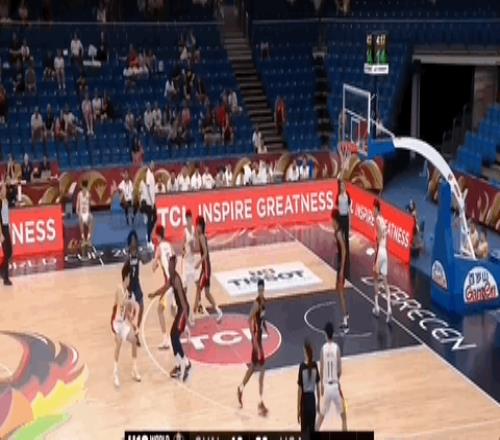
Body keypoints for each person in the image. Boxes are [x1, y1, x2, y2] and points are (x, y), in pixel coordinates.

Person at [237, 278, 268, 416]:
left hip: (259, 337)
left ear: (264, 289)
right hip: (256, 338)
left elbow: (262, 318)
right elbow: (249, 319)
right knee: (262, 368)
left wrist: (265, 327)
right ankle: (260, 402)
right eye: (259, 290)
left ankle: (240, 388)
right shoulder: (256, 303)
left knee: (253, 367)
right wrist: (253, 339)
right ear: (257, 290)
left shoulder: (264, 302)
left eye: (262, 289)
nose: (260, 291)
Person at [111, 261, 141, 387]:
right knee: (119, 342)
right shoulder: (119, 288)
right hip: (115, 323)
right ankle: (115, 373)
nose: (130, 280)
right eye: (130, 277)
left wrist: (135, 326)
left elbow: (127, 313)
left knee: (134, 340)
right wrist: (132, 303)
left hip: (122, 323)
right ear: (126, 277)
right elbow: (122, 303)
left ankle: (134, 369)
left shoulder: (128, 293)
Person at [316, 322, 347, 431]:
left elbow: (321, 369)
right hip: (335, 387)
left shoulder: (323, 349)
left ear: (325, 334)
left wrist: (321, 386)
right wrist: (336, 380)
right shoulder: (336, 348)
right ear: (333, 334)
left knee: (320, 418)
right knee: (344, 417)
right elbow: (339, 370)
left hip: (326, 387)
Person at [148, 224, 176, 350]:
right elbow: (174, 259)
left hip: (168, 283)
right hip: (175, 280)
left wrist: (155, 264)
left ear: (157, 235)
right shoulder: (169, 245)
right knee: (173, 311)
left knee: (159, 310)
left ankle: (165, 340)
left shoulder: (158, 248)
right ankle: (185, 330)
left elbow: (153, 267)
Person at [166, 251, 192, 381]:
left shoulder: (176, 279)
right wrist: (155, 294)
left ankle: (183, 365)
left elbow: (182, 301)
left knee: (174, 336)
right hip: (180, 309)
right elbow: (165, 287)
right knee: (173, 335)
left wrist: (187, 321)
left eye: (171, 264)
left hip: (183, 309)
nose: (169, 266)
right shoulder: (172, 277)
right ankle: (182, 363)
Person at [193, 216, 223, 322]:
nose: (196, 227)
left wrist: (198, 262)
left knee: (198, 289)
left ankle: (193, 313)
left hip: (205, 268)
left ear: (200, 226)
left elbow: (205, 253)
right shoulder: (201, 236)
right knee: (206, 293)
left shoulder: (202, 237)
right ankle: (219, 311)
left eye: (197, 225)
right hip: (206, 267)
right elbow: (198, 249)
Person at [372, 200, 391, 323]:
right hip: (385, 252)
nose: (372, 211)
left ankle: (377, 307)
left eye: (374, 209)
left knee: (375, 278)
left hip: (380, 252)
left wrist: (377, 239)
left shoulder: (377, 220)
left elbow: (379, 235)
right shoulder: (384, 220)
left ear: (377, 209)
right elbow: (385, 233)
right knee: (385, 281)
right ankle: (389, 308)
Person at [297, 340, 320, 439]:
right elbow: (318, 386)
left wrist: (298, 408)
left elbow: (299, 390)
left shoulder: (302, 367)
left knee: (304, 431)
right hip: (312, 400)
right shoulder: (315, 365)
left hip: (304, 401)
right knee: (312, 429)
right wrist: (318, 403)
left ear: (305, 352)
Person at [331, 209, 349, 333]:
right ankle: (345, 314)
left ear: (335, 220)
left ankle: (346, 321)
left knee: (341, 291)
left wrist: (342, 269)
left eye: (332, 220)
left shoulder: (338, 233)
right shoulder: (338, 231)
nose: (331, 222)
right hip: (340, 263)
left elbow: (344, 250)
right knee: (338, 288)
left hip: (342, 264)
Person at [126, 230, 146, 333]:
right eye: (132, 240)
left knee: (141, 306)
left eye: (135, 240)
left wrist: (147, 256)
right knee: (129, 310)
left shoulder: (138, 254)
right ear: (130, 241)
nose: (134, 242)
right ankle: (133, 326)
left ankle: (137, 327)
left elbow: (145, 261)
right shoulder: (127, 255)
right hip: (129, 284)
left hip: (136, 283)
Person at [336, 180, 351, 278]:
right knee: (339, 237)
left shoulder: (347, 196)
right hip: (340, 218)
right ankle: (340, 252)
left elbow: (349, 210)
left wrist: (350, 223)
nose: (341, 187)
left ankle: (347, 255)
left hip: (346, 218)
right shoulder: (338, 196)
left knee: (346, 237)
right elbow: (338, 208)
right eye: (340, 186)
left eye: (342, 186)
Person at [141, 162, 156, 250]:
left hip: (152, 202)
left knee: (154, 218)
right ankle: (149, 240)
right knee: (150, 220)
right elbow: (148, 189)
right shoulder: (148, 175)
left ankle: (148, 233)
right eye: (152, 165)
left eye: (154, 165)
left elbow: (152, 190)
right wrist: (151, 202)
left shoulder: (151, 174)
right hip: (149, 203)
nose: (153, 166)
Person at [0, 181, 13, 286]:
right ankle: (6, 278)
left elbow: (7, 216)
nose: (5, 191)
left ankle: (2, 271)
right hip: (2, 229)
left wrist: (10, 228)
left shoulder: (6, 201)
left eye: (5, 189)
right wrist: (0, 234)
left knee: (9, 252)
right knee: (5, 253)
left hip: (7, 227)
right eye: (3, 189)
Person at [76, 180, 94, 249]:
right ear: (82, 187)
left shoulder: (88, 194)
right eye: (83, 188)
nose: (84, 189)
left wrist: (88, 212)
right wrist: (77, 211)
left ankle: (88, 239)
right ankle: (83, 240)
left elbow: (89, 204)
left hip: (87, 213)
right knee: (80, 220)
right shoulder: (79, 194)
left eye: (85, 188)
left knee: (91, 218)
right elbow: (77, 203)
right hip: (81, 213)